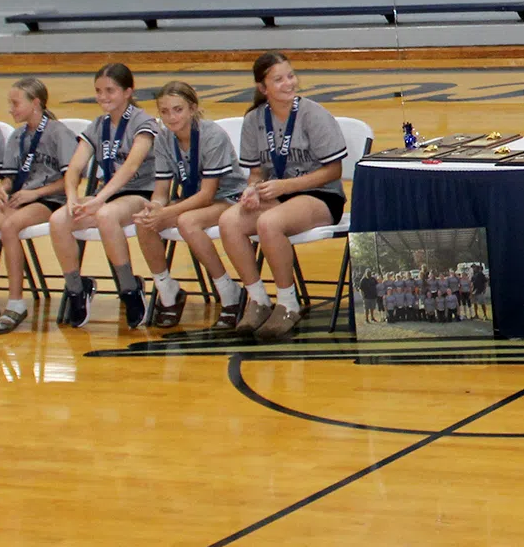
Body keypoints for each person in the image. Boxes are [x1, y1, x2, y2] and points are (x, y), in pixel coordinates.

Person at [222, 52, 349, 342]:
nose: (288, 83)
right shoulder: (254, 120)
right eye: (278, 79)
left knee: (269, 224)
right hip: (278, 193)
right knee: (229, 220)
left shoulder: (313, 114)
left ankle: (288, 303)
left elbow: (334, 171)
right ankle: (258, 299)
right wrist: (252, 191)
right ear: (262, 88)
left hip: (320, 194)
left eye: (290, 76)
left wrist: (285, 186)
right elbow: (255, 174)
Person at [49, 63, 161, 330]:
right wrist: (72, 197)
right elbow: (75, 167)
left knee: (106, 215)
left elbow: (131, 166)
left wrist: (99, 199)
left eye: (110, 91)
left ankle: (130, 288)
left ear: (128, 91)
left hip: (140, 192)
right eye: (98, 91)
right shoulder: (97, 125)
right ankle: (77, 288)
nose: (102, 97)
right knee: (58, 220)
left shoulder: (143, 122)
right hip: (107, 195)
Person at [135, 80, 247, 331]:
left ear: (193, 109)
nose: (171, 117)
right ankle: (168, 291)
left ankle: (229, 292)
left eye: (178, 109)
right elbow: (162, 190)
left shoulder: (212, 135)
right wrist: (154, 207)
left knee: (188, 222)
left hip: (227, 198)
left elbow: (208, 194)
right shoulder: (164, 138)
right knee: (144, 222)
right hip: (191, 200)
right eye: (164, 112)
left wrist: (166, 212)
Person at [0, 78, 79, 335]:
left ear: (36, 103)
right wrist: (2, 188)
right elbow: (9, 176)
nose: (10, 108)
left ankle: (16, 303)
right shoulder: (17, 136)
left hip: (50, 199)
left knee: (10, 227)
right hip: (21, 198)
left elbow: (70, 179)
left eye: (15, 103)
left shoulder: (58, 132)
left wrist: (36, 193)